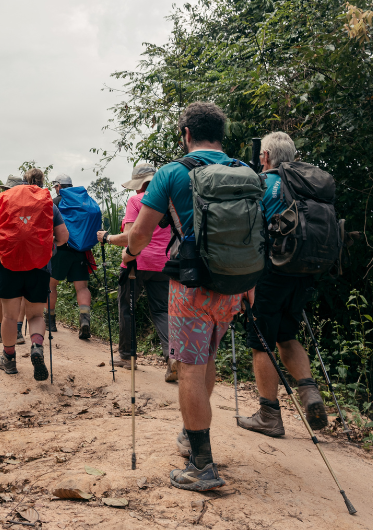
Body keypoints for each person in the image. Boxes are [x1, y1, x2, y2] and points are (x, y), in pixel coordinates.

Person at [123, 102, 254, 491]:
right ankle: (190, 432)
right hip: (233, 282)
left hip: (191, 286)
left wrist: (129, 254)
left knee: (190, 366)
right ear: (221, 133)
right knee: (208, 358)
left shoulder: (172, 173)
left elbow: (142, 234)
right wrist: (250, 284)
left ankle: (202, 465)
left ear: (185, 133)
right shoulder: (244, 171)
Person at [236, 131, 328, 437]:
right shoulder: (306, 188)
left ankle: (268, 415)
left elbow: (249, 235)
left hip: (270, 274)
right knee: (286, 335)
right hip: (303, 272)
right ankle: (309, 391)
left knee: (261, 340)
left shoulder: (263, 185)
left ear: (264, 157)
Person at [0, 169, 69, 381]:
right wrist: (47, 247)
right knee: (37, 315)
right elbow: (64, 237)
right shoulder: (49, 203)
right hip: (39, 266)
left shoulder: (2, 202)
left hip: (9, 264)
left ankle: (9, 359)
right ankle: (36, 346)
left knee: (10, 316)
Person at [98, 164, 176, 381]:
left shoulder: (137, 200)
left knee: (127, 308)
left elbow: (130, 236)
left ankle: (127, 356)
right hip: (164, 264)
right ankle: (172, 356)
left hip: (136, 262)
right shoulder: (170, 201)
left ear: (140, 184)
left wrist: (107, 238)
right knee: (162, 311)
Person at [47, 174, 93, 339]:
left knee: (51, 284)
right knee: (82, 287)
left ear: (59, 186)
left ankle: (50, 322)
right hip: (80, 250)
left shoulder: (56, 202)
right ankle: (84, 320)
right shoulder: (82, 201)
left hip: (60, 249)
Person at [0, 178, 26, 345]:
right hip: (28, 254)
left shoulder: (1, 202)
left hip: (6, 253)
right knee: (22, 293)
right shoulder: (29, 203)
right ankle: (17, 331)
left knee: (1, 292)